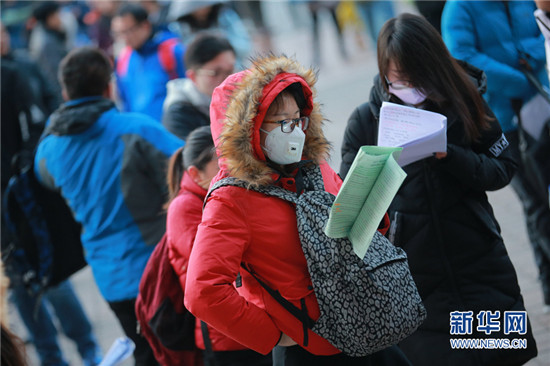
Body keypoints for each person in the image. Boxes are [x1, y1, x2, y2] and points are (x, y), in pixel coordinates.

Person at [183, 54, 411, 365]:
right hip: (311, 351)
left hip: (367, 327)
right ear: (250, 128)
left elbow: (352, 232)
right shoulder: (232, 199)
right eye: (282, 122)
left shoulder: (311, 165)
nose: (296, 131)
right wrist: (273, 335)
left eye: (298, 119)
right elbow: (202, 292)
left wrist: (372, 211)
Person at [340, 13, 538, 365]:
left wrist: (451, 155)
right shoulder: (365, 121)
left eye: (419, 79)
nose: (411, 89)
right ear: (385, 73)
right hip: (414, 278)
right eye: (399, 80)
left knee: (498, 357)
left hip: (478, 260)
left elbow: (502, 168)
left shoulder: (463, 100)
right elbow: (349, 208)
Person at [34, 46, 184, 366]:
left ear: (64, 90)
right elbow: (189, 167)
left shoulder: (48, 150)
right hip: (158, 269)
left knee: (144, 352)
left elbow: (43, 178)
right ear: (109, 85)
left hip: (109, 277)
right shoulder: (136, 129)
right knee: (182, 353)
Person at [442, 0, 550, 313]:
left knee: (539, 203)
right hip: (498, 121)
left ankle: (546, 282)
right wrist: (518, 78)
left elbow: (540, 32)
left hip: (538, 111)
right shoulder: (459, 7)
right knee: (536, 201)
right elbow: (463, 58)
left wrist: (529, 56)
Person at [1, 56, 103, 366]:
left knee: (50, 276)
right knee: (16, 284)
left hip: (20, 198)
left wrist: (22, 171)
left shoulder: (11, 75)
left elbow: (36, 126)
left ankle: (88, 348)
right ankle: (49, 358)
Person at [165, 126, 272, 365]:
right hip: (227, 337)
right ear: (195, 173)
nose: (232, 169)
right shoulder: (184, 209)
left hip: (252, 320)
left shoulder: (225, 194)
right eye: (221, 164)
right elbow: (221, 265)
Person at [112, 2, 186, 121]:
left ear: (145, 26)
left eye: (128, 31)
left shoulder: (172, 50)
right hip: (140, 135)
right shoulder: (123, 59)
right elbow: (125, 102)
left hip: (172, 132)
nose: (124, 38)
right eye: (119, 33)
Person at [162, 32, 236, 140]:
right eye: (215, 73)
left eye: (230, 70)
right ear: (192, 76)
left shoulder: (243, 96)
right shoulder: (178, 115)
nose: (227, 79)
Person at [167, 0, 251, 68]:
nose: (203, 8)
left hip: (230, 66)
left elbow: (243, 45)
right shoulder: (179, 27)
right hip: (200, 71)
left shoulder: (225, 17)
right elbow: (179, 54)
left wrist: (220, 43)